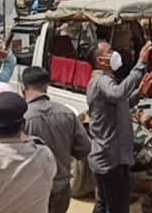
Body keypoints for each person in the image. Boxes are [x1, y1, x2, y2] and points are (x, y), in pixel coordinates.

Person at [87, 40, 152, 213]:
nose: (115, 53)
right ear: (101, 60)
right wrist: (140, 63)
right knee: (118, 207)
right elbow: (117, 94)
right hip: (111, 159)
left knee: (104, 205)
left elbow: (123, 102)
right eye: (110, 51)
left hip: (111, 157)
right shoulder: (101, 81)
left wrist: (140, 92)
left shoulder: (107, 81)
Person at [23, 67, 91, 213]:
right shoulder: (67, 113)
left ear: (24, 88)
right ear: (46, 86)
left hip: (32, 190)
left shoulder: (21, 118)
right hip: (61, 186)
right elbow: (84, 148)